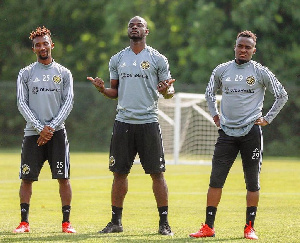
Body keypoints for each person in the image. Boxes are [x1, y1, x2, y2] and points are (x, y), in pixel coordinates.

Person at [189, 30, 288, 240]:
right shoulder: (222, 70)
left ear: (253, 50)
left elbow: (282, 95)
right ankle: (208, 227)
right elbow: (209, 93)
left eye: (247, 47)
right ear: (235, 47)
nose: (243, 50)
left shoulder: (260, 72)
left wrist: (268, 118)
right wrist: (215, 115)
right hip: (226, 133)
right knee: (215, 181)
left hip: (251, 133)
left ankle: (249, 227)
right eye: (240, 46)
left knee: (252, 183)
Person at [87, 16, 175, 236]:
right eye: (131, 25)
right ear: (128, 31)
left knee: (157, 173)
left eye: (139, 25)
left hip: (148, 122)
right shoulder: (117, 59)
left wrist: (165, 91)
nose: (134, 27)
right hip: (123, 123)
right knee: (119, 173)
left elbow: (169, 92)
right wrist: (101, 89)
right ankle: (115, 222)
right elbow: (114, 92)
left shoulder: (158, 59)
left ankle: (164, 224)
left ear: (147, 31)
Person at [14, 26, 76, 233]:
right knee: (26, 178)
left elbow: (68, 103)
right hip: (33, 134)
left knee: (63, 178)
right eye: (38, 45)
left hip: (57, 133)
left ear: (52, 45)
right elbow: (22, 103)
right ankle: (24, 223)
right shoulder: (25, 73)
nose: (42, 47)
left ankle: (66, 223)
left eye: (45, 43)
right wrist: (41, 128)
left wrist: (51, 128)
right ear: (33, 49)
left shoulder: (64, 73)